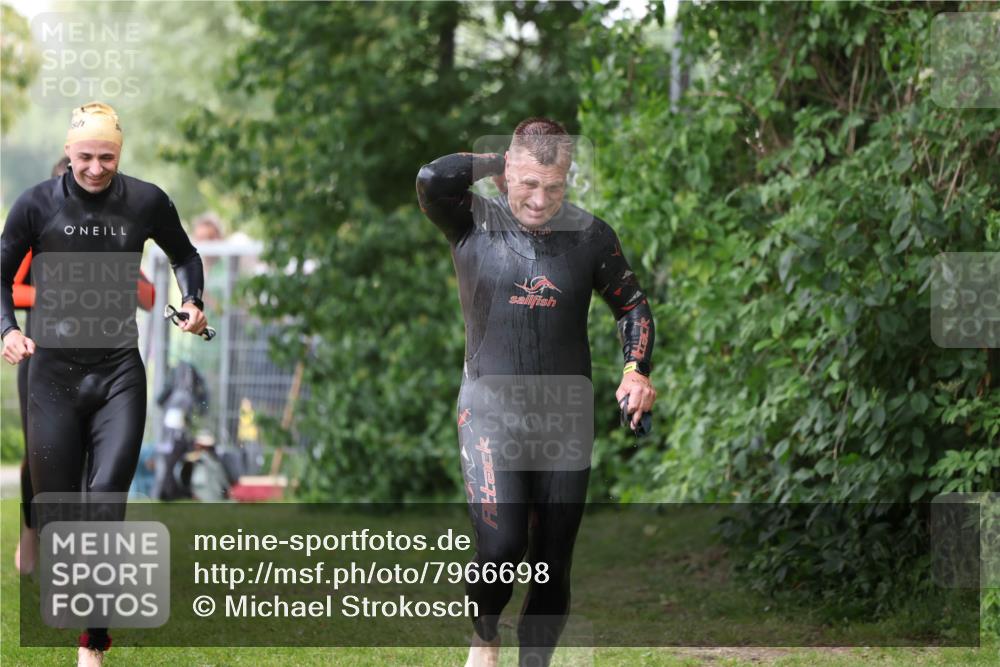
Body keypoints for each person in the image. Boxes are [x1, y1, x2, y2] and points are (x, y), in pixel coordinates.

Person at [416, 118, 657, 667]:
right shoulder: (471, 221)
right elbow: (432, 178)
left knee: (551, 564)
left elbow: (632, 305)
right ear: (507, 172)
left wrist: (635, 369)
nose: (540, 199)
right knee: (501, 550)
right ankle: (484, 636)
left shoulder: (590, 237)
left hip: (564, 417)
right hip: (489, 410)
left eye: (554, 186)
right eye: (528, 183)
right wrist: (499, 160)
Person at [0, 102, 208, 667]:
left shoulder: (145, 201)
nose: (96, 168)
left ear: (120, 154)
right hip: (52, 376)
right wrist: (8, 330)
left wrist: (192, 302)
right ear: (68, 152)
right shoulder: (36, 204)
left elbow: (185, 255)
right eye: (86, 156)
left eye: (107, 157)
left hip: (119, 373)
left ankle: (92, 645)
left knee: (107, 501)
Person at [12, 156, 158, 576]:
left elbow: (149, 298)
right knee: (40, 457)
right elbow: (14, 287)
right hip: (43, 361)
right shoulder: (37, 231)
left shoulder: (111, 236)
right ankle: (30, 534)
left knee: (100, 462)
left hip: (108, 366)